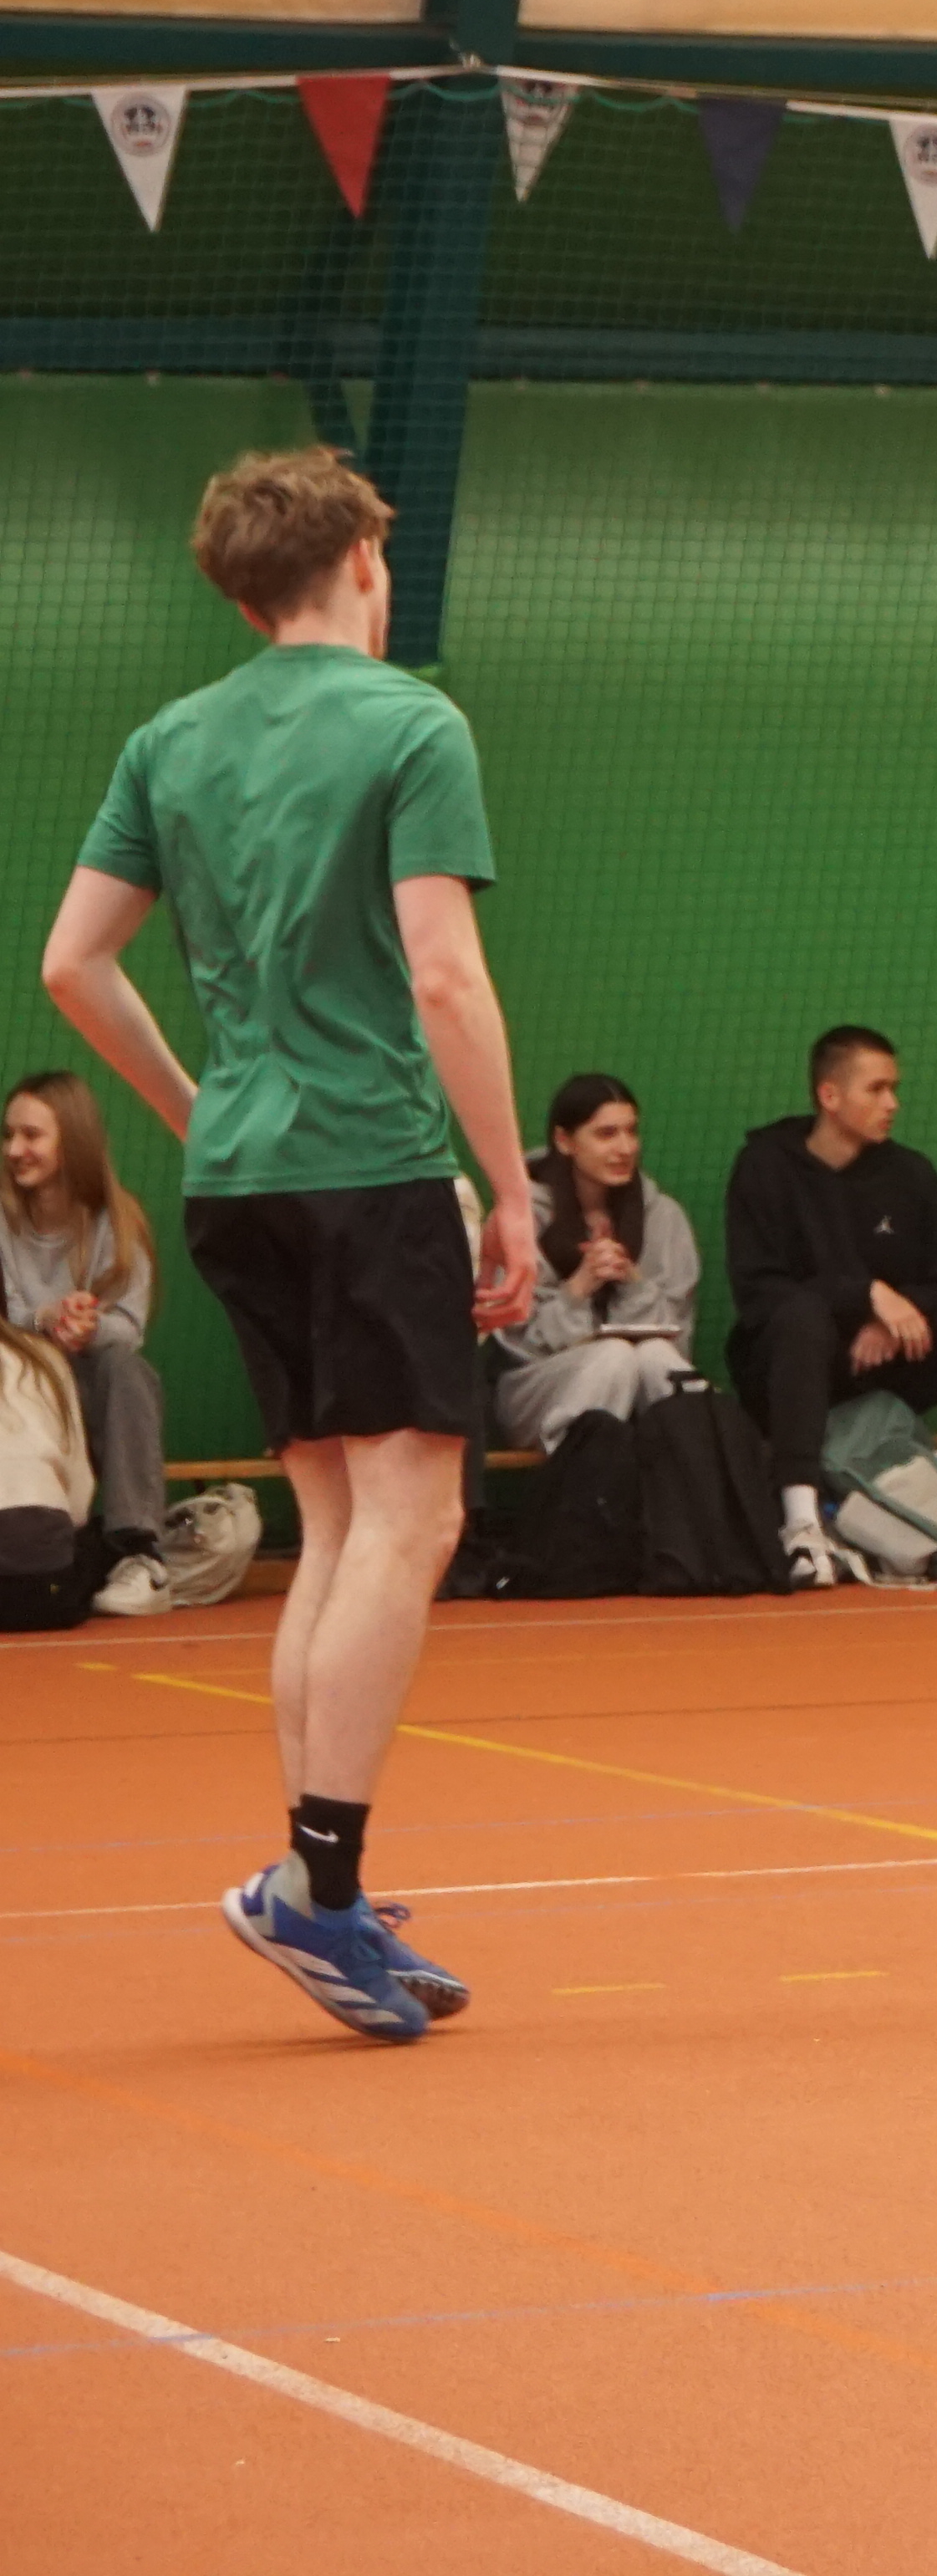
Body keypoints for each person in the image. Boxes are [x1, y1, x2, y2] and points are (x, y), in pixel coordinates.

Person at [36, 444, 539, 2041]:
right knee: (411, 1522)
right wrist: (510, 1185)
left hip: (240, 1176)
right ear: (364, 562)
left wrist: (197, 1109)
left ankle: (324, 1882)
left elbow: (72, 964)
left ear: (247, 592)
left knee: (334, 1528)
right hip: (368, 1165)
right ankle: (316, 1894)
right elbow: (445, 975)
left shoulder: (170, 740)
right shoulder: (412, 723)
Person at [725, 1028, 937, 1586]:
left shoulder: (911, 1175)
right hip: (793, 1368)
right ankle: (802, 1525)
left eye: (894, 1088)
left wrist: (891, 1319)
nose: (892, 1103)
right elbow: (758, 1290)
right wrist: (866, 1293)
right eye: (876, 1089)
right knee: (799, 1317)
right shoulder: (764, 1166)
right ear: (829, 1095)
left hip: (886, 1363)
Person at [3, 1071, 172, 1618]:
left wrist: (88, 1325)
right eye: (9, 1135)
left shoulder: (118, 1221)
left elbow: (129, 1326)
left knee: (128, 1371)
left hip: (88, 1377)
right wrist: (48, 1317)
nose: (14, 1150)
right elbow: (11, 1314)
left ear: (71, 1140)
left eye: (31, 1135)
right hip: (24, 1382)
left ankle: (139, 1552)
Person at [488, 1073, 699, 1451]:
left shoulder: (663, 1216)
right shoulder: (521, 1219)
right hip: (535, 1387)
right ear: (564, 1141)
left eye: (631, 1132)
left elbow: (678, 1343)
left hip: (640, 1385)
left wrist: (631, 1281)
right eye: (606, 1134)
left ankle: (698, 1475)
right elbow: (517, 1347)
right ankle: (580, 1476)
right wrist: (578, 1289)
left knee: (655, 1358)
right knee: (614, 1357)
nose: (625, 1148)